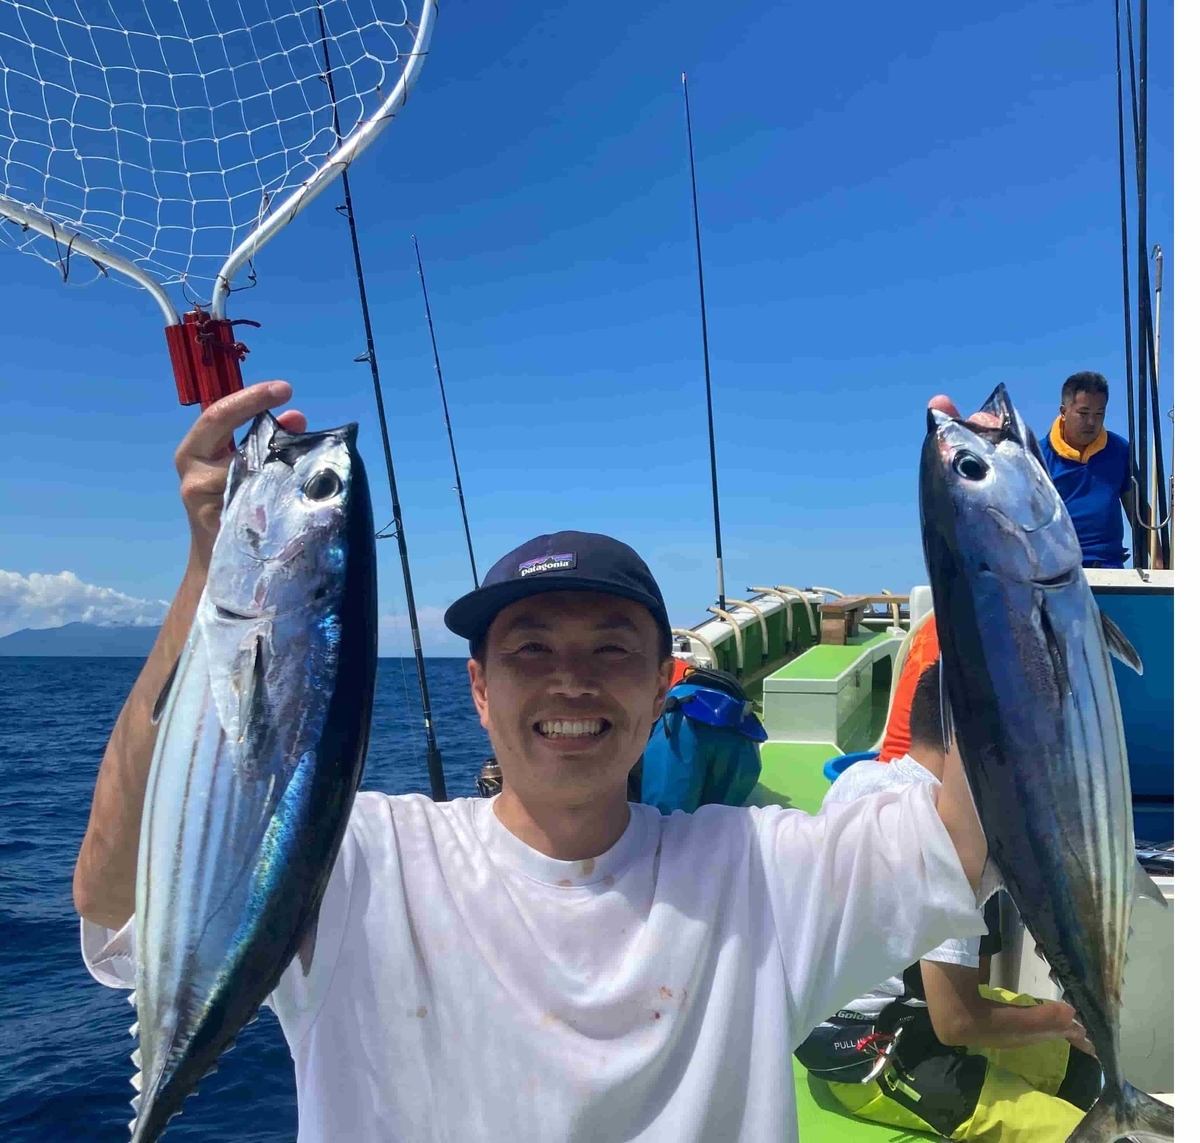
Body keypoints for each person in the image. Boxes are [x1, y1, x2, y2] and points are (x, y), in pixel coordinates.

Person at [74, 382, 991, 1143]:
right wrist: (212, 565)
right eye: (531, 652)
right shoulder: (355, 862)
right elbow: (114, 897)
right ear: (479, 690)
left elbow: (962, 839)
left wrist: (994, 553)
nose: (572, 684)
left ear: (665, 683)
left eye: (610, 652)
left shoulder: (756, 870)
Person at [796, 663, 1102, 1142]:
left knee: (1080, 1071)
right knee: (1099, 1127)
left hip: (836, 1023)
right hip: (877, 1050)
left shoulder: (859, 780)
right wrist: (1067, 1020)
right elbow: (957, 1021)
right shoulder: (947, 836)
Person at [1039, 371, 1138, 570]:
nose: (1091, 422)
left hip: (1109, 567)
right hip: (1056, 571)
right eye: (1083, 413)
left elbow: (1139, 512)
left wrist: (1162, 563)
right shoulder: (1038, 456)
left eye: (1099, 414)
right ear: (1063, 412)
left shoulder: (1120, 449)